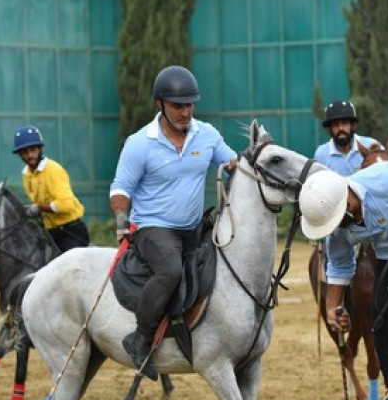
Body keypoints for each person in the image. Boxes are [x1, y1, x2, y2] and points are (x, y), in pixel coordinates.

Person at [108, 65, 239, 380]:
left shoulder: (206, 135)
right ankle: (139, 337)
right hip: (154, 228)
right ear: (160, 105)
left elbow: (232, 163)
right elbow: (120, 189)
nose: (185, 112)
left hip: (193, 228)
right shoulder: (140, 143)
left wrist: (245, 165)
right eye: (178, 106)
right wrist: (122, 219)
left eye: (190, 104)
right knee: (170, 270)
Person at [298, 159, 388, 400]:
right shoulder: (338, 229)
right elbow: (339, 266)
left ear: (346, 201)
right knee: (379, 321)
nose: (334, 229)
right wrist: (331, 307)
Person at [12, 125, 90, 253]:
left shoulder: (53, 170)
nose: (30, 155)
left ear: (40, 148)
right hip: (49, 233)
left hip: (70, 232)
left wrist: (39, 207)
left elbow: (66, 204)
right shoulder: (26, 175)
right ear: (20, 154)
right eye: (25, 152)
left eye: (33, 150)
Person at [313, 99, 379, 177]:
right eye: (335, 124)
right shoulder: (321, 154)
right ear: (330, 129)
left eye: (344, 123)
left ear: (352, 125)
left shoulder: (371, 145)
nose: (340, 128)